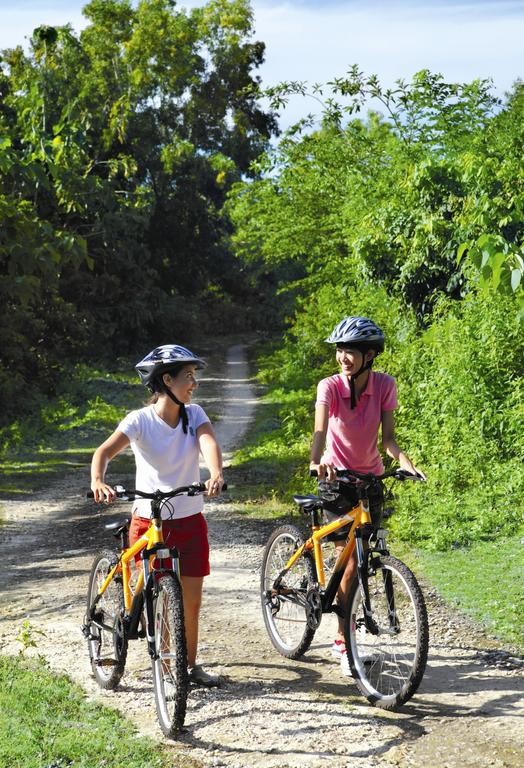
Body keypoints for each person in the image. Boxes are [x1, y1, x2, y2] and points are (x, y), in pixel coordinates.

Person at [90, 343, 224, 687]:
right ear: (167, 380)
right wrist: (98, 480)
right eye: (188, 377)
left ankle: (187, 666)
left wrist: (215, 472)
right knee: (150, 600)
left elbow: (208, 441)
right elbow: (104, 451)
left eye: (194, 376)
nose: (194, 383)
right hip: (149, 521)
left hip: (190, 518)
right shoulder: (140, 420)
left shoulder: (195, 415)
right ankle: (164, 662)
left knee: (190, 601)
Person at [309, 316, 425, 676]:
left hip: (370, 480)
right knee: (347, 566)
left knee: (362, 560)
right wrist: (316, 461)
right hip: (336, 478)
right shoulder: (328, 387)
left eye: (351, 351)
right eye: (340, 350)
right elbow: (319, 429)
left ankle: (347, 633)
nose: (343, 357)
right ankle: (344, 643)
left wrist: (407, 463)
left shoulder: (385, 386)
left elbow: (388, 439)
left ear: (370, 355)